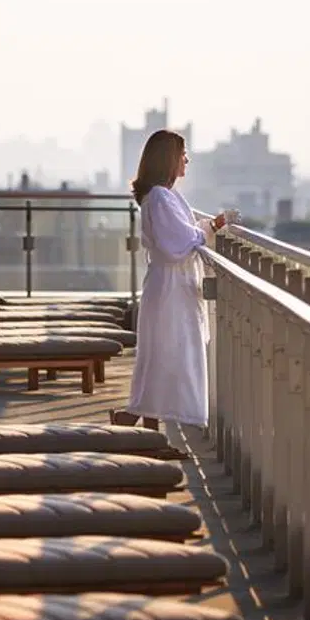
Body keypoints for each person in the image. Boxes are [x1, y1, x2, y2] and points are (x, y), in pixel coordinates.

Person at [111, 129, 236, 432]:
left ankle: (139, 424)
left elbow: (183, 234)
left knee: (161, 355)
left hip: (169, 286)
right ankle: (140, 426)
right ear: (169, 159)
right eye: (182, 155)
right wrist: (208, 229)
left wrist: (206, 228)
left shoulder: (163, 196)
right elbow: (176, 243)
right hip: (169, 288)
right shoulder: (159, 198)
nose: (187, 160)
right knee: (164, 356)